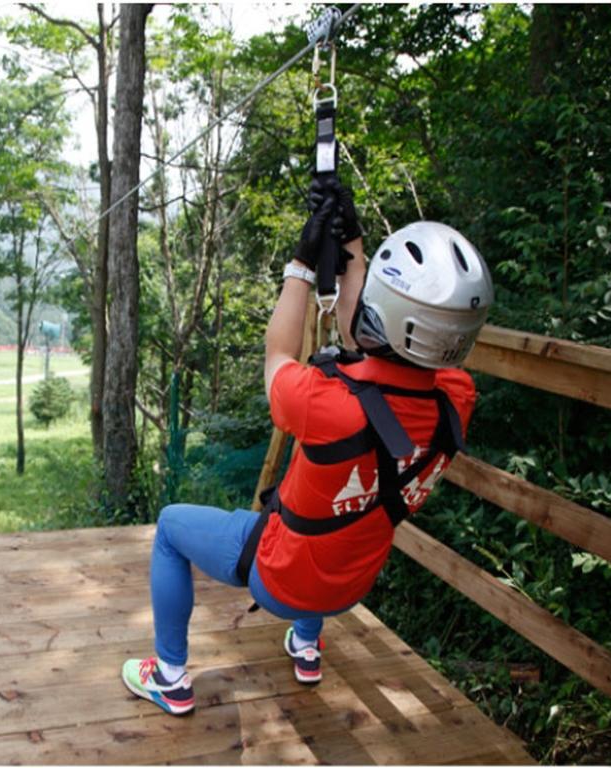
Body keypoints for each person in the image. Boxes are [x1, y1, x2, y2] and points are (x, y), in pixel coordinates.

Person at [121, 176, 494, 716]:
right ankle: (306, 645)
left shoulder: (325, 403)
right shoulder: (456, 400)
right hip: (351, 585)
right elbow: (365, 342)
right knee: (348, 510)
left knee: (171, 527)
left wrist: (300, 266)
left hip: (280, 580)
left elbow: (279, 354)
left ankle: (170, 676)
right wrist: (354, 246)